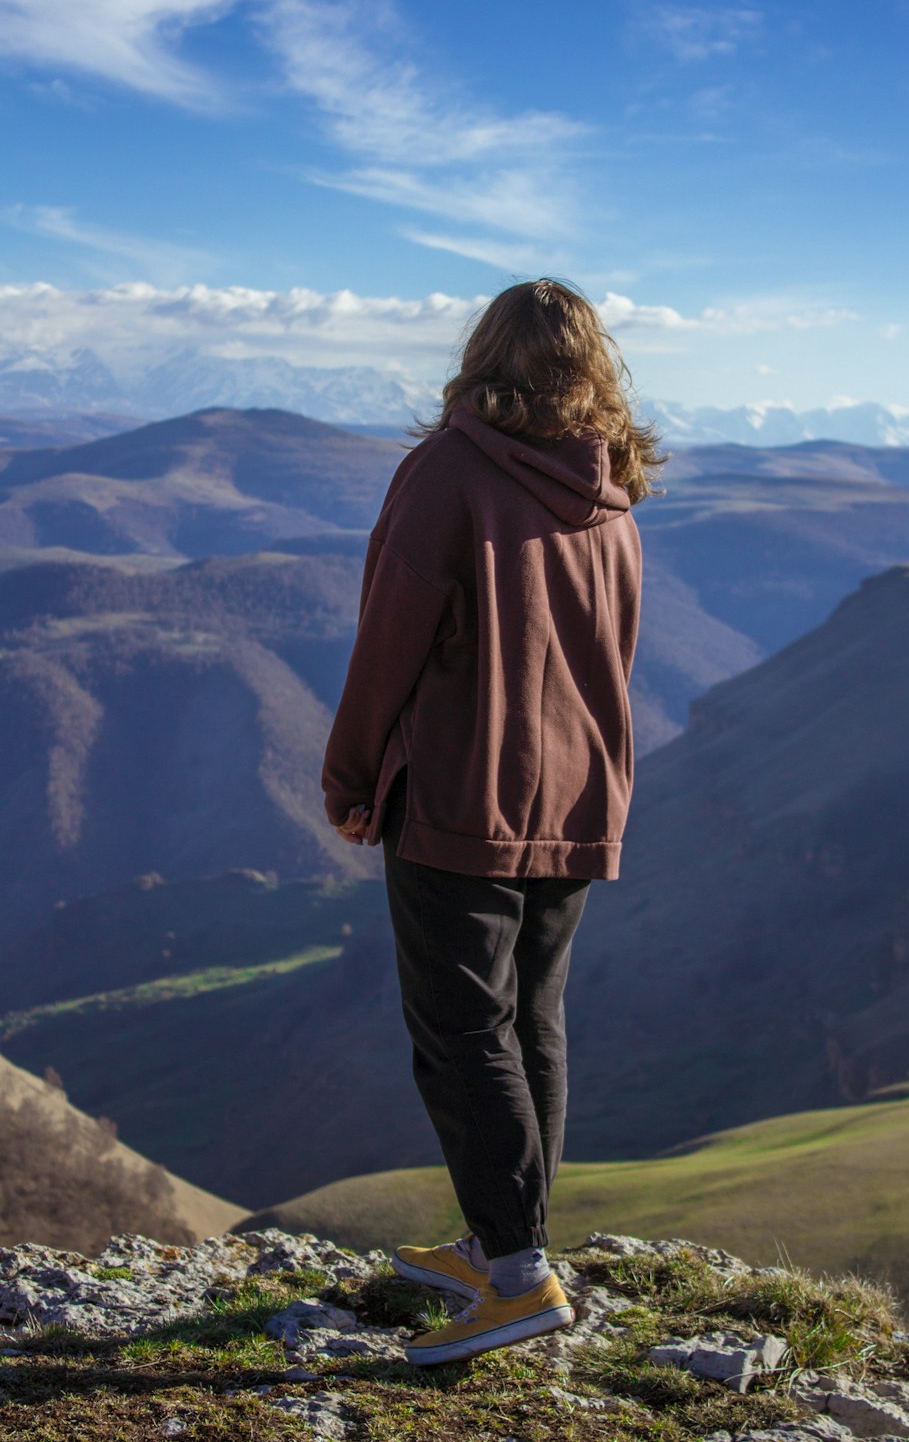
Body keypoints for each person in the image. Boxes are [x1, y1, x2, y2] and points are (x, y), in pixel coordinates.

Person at [320, 277, 662, 1366]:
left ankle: (517, 1278)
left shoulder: (447, 473)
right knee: (531, 1024)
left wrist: (351, 771)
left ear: (481, 355)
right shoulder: (612, 493)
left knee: (461, 1032)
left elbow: (390, 639)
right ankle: (502, 1245)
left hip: (466, 793)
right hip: (577, 791)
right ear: (592, 367)